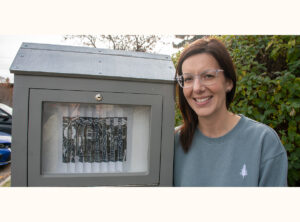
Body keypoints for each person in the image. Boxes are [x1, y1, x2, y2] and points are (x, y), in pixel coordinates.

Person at [173, 37, 288, 187]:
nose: (197, 88)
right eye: (188, 79)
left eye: (208, 76)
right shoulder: (172, 143)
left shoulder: (263, 142)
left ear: (228, 82)